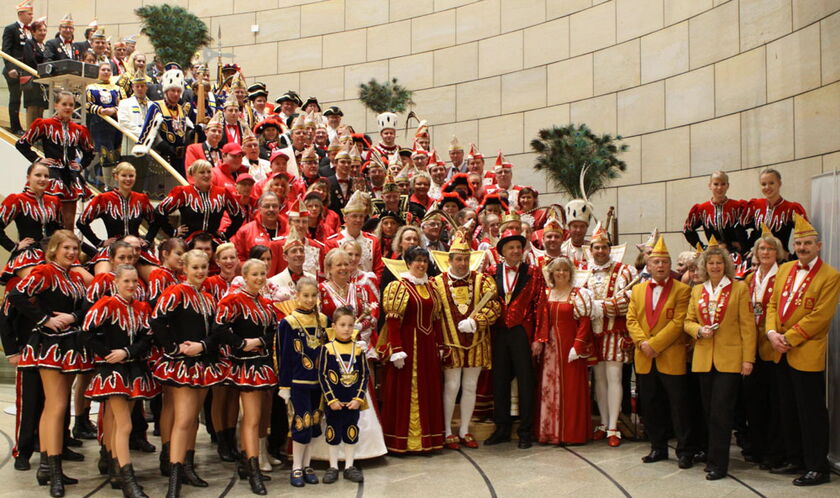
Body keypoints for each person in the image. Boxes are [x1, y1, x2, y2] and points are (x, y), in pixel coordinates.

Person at [8, 230, 91, 497]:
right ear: (54, 249)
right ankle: (52, 469)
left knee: (59, 404)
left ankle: (48, 465)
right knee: (54, 406)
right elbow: (16, 295)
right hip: (48, 346)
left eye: (75, 249)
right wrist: (44, 320)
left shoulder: (75, 276)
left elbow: (86, 306)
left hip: (69, 345)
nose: (71, 253)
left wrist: (72, 316)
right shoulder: (45, 271)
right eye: (66, 248)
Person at [765, 214, 840, 486]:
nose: (803, 248)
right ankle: (795, 458)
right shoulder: (784, 269)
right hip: (779, 350)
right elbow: (772, 305)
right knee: (788, 408)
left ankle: (817, 467)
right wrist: (772, 333)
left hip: (805, 352)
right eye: (799, 244)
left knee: (811, 413)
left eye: (808, 243)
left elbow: (821, 316)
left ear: (818, 246)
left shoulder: (831, 276)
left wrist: (789, 338)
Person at [150, 249, 228, 497]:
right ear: (184, 268)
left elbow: (216, 330)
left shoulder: (208, 297)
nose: (200, 272)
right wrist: (174, 348)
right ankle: (174, 480)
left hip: (203, 363)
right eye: (195, 267)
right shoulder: (176, 292)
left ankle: (187, 466)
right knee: (182, 419)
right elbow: (157, 321)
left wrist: (203, 346)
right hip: (182, 364)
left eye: (204, 267)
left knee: (193, 419)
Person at [83, 264, 158, 498]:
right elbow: (86, 333)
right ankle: (128, 479)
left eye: (134, 281)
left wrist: (127, 352)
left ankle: (116, 466)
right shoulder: (105, 304)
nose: (131, 285)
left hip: (134, 368)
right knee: (124, 424)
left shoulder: (142, 307)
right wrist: (107, 354)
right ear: (116, 282)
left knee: (118, 424)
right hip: (112, 372)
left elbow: (147, 339)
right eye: (126, 281)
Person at [684, 240, 756, 480]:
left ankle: (719, 463)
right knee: (708, 411)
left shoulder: (739, 288)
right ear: (705, 266)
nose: (715, 266)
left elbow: (748, 327)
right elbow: (688, 321)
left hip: (730, 359)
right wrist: (698, 331)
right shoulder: (697, 290)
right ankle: (713, 456)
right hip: (704, 359)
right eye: (711, 263)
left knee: (722, 412)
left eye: (719, 263)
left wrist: (748, 360)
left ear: (726, 265)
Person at [626, 236, 694, 468]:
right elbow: (631, 319)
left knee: (679, 406)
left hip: (670, 356)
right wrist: (643, 343)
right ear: (649, 265)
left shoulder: (683, 290)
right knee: (651, 405)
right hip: (644, 357)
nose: (661, 266)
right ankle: (658, 448)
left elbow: (678, 323)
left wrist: (654, 344)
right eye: (656, 262)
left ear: (670, 264)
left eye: (665, 262)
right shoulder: (637, 290)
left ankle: (685, 451)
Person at [429, 232, 500, 449]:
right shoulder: (436, 283)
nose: (462, 263)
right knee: (452, 386)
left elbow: (494, 306)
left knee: (470, 386)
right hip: (450, 344)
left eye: (466, 259)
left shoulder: (483, 281)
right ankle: (448, 430)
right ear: (449, 260)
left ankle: (465, 430)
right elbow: (432, 314)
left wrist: (478, 321)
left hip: (477, 342)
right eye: (458, 259)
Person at [213, 259, 278, 495]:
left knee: (258, 417)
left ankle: (246, 462)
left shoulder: (264, 302)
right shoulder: (233, 300)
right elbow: (219, 327)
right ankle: (253, 470)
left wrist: (259, 342)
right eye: (255, 274)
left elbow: (271, 330)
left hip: (261, 363)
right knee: (251, 417)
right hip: (245, 365)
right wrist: (241, 344)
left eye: (263, 274)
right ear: (245, 275)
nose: (260, 278)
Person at [377, 246, 444, 453]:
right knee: (406, 391)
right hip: (407, 346)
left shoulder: (432, 287)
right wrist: (396, 349)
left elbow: (437, 319)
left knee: (428, 389)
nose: (421, 264)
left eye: (424, 260)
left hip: (427, 347)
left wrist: (440, 345)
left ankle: (427, 440)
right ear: (408, 263)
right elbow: (393, 321)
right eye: (417, 260)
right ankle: (402, 441)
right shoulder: (399, 286)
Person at [483, 228, 543, 449]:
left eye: (519, 247)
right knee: (499, 381)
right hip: (499, 332)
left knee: (526, 381)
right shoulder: (491, 271)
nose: (516, 251)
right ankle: (502, 428)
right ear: (502, 252)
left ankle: (525, 431)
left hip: (523, 332)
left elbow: (540, 307)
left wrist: (539, 338)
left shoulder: (534, 273)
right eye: (511, 247)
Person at [582, 223, 636, 446]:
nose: (600, 251)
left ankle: (614, 427)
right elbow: (578, 298)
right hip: (592, 334)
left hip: (615, 332)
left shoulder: (625, 271)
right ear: (591, 249)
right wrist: (588, 306)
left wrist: (601, 307)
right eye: (596, 247)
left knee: (614, 377)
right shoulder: (582, 271)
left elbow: (629, 300)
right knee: (599, 379)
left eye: (604, 247)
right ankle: (603, 423)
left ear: (610, 249)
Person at [533, 257, 596, 445]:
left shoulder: (579, 294)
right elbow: (540, 321)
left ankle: (570, 434)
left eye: (565, 270)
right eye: (557, 270)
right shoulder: (545, 293)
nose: (561, 273)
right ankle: (549, 432)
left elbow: (584, 323)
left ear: (571, 273)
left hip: (570, 349)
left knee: (571, 390)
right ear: (551, 273)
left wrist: (577, 346)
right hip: (549, 350)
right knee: (548, 388)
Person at [276, 277, 328, 487]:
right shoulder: (288, 322)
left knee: (314, 424)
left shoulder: (324, 320)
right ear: (296, 295)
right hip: (298, 383)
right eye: (305, 295)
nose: (309, 299)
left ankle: (307, 465)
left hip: (318, 383)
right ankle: (296, 467)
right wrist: (284, 386)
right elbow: (284, 356)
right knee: (301, 423)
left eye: (313, 296)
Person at [16, 91, 95, 229]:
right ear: (56, 105)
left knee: (68, 223)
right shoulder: (44, 124)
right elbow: (22, 144)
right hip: (51, 176)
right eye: (64, 104)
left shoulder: (79, 129)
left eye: (71, 105)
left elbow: (89, 152)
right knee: (49, 219)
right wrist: (38, 159)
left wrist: (81, 165)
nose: (68, 108)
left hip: (70, 177)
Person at [743, 227, 785, 470]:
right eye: (761, 248)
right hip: (751, 348)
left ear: (777, 252)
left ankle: (774, 451)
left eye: (770, 248)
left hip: (772, 347)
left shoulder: (783, 276)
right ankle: (756, 447)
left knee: (774, 401)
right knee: (753, 401)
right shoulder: (749, 278)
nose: (765, 251)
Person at [77, 162, 156, 277]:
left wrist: (147, 241)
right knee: (103, 276)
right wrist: (99, 242)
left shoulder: (141, 199)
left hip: (136, 250)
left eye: (131, 176)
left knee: (156, 276)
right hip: (113, 249)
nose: (128, 179)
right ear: (116, 176)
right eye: (124, 175)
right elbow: (81, 222)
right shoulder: (103, 199)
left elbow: (154, 222)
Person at [318, 307, 368, 484]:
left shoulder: (358, 350)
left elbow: (364, 375)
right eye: (342, 325)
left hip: (352, 401)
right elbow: (323, 375)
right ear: (334, 326)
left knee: (351, 432)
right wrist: (330, 399)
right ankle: (332, 466)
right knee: (332, 432)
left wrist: (358, 398)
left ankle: (349, 466)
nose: (346, 329)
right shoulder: (327, 349)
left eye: (350, 325)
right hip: (334, 402)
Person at [148, 160, 243, 244]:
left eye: (209, 172)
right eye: (202, 172)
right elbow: (159, 211)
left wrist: (226, 234)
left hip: (212, 240)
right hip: (188, 240)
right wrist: (172, 232)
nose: (206, 175)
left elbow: (239, 215)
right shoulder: (183, 192)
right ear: (193, 174)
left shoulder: (222, 193)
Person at [0, 160, 62, 287]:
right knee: (41, 284)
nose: (43, 179)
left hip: (52, 251)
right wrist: (14, 246)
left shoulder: (54, 201)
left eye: (46, 176)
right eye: (38, 175)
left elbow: (60, 230)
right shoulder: (17, 200)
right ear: (28, 178)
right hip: (29, 253)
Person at [132, 64, 198, 178]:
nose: (176, 94)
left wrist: (194, 132)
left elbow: (183, 131)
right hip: (162, 157)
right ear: (166, 91)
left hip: (180, 159)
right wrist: (163, 145)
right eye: (173, 90)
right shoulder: (156, 106)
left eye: (178, 91)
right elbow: (149, 129)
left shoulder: (181, 109)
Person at [743, 168, 808, 258]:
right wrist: (747, 248)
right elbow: (739, 228)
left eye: (771, 183)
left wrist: (792, 256)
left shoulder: (791, 208)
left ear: (779, 184)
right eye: (763, 184)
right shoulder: (755, 205)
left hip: (780, 260)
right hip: (758, 260)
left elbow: (806, 236)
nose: (767, 187)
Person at [684, 170, 750, 256]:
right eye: (716, 184)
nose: (719, 187)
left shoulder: (737, 207)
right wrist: (703, 248)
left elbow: (752, 226)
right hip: (713, 255)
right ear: (710, 186)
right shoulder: (702, 209)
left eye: (723, 184)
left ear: (728, 186)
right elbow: (688, 230)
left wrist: (744, 246)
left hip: (736, 255)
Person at [85, 62, 125, 187]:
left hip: (116, 124)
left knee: (116, 154)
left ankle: (115, 184)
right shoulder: (91, 87)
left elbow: (124, 104)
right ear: (98, 71)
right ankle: (108, 185)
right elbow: (86, 104)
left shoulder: (118, 88)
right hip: (99, 123)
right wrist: (100, 110)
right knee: (106, 154)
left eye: (108, 70)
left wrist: (114, 110)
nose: (106, 72)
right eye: (103, 69)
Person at [3, 0, 34, 135]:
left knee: (28, 100)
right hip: (14, 70)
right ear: (21, 14)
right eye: (29, 14)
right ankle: (15, 127)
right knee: (15, 98)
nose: (31, 16)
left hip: (27, 71)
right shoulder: (11, 29)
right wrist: (10, 68)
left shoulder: (30, 31)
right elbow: (6, 50)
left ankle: (29, 128)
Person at [21, 19, 47, 127]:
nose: (43, 32)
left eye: (45, 30)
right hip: (32, 80)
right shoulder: (29, 43)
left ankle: (38, 136)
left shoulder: (45, 45)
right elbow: (30, 60)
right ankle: (30, 136)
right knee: (32, 108)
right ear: (33, 32)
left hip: (42, 81)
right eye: (40, 30)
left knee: (40, 108)